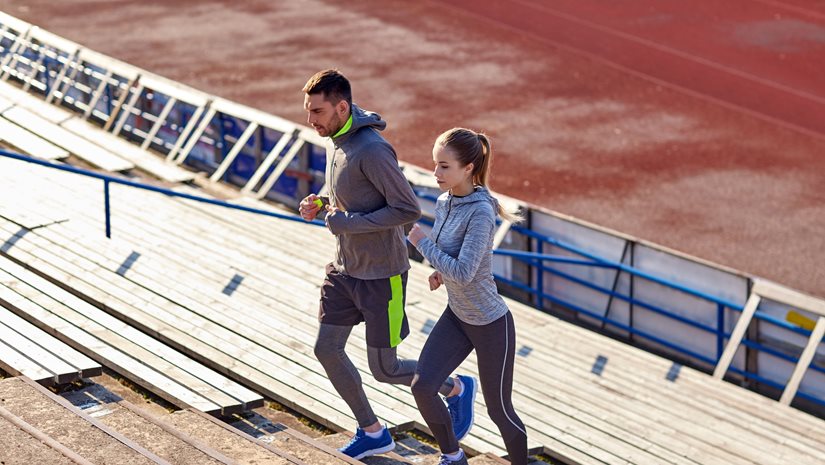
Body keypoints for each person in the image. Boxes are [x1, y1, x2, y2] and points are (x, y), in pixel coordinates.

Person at [298, 70, 476, 460]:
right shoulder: (338, 139)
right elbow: (354, 195)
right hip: (344, 269)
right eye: (308, 110)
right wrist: (323, 204)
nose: (311, 119)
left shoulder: (373, 150)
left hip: (382, 276)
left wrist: (346, 223)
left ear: (342, 107)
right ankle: (373, 432)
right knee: (327, 349)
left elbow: (406, 209)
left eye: (317, 111)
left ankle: (456, 387)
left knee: (385, 368)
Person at [407, 128, 528, 465]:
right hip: (457, 316)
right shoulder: (445, 201)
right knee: (423, 385)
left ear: (468, 168)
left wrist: (420, 241)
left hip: (491, 323)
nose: (436, 174)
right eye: (435, 165)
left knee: (499, 411)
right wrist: (439, 271)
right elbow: (453, 260)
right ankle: (453, 455)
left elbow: (465, 271)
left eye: (444, 166)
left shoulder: (481, 212)